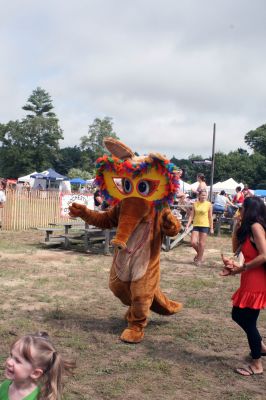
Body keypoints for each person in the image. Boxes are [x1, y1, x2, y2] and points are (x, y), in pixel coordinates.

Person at [221, 196, 266, 376]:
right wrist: (234, 271)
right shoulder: (248, 229)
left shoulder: (256, 227)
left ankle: (257, 364)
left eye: (242, 207)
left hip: (257, 281)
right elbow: (237, 251)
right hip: (249, 278)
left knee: (243, 317)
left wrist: (243, 267)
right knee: (246, 318)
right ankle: (260, 348)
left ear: (250, 209)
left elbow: (263, 255)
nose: (240, 210)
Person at [0, 331, 75, 399]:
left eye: (18, 361)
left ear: (35, 373)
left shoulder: (41, 397)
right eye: (11, 355)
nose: (9, 362)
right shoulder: (4, 386)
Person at [186, 189, 214, 265]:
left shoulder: (209, 204)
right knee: (193, 242)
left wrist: (211, 228)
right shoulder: (195, 204)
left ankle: (199, 259)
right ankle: (200, 254)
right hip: (196, 225)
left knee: (201, 243)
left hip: (205, 225)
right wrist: (188, 225)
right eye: (202, 195)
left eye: (205, 195)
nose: (204, 196)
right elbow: (191, 216)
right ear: (199, 196)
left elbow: (210, 217)